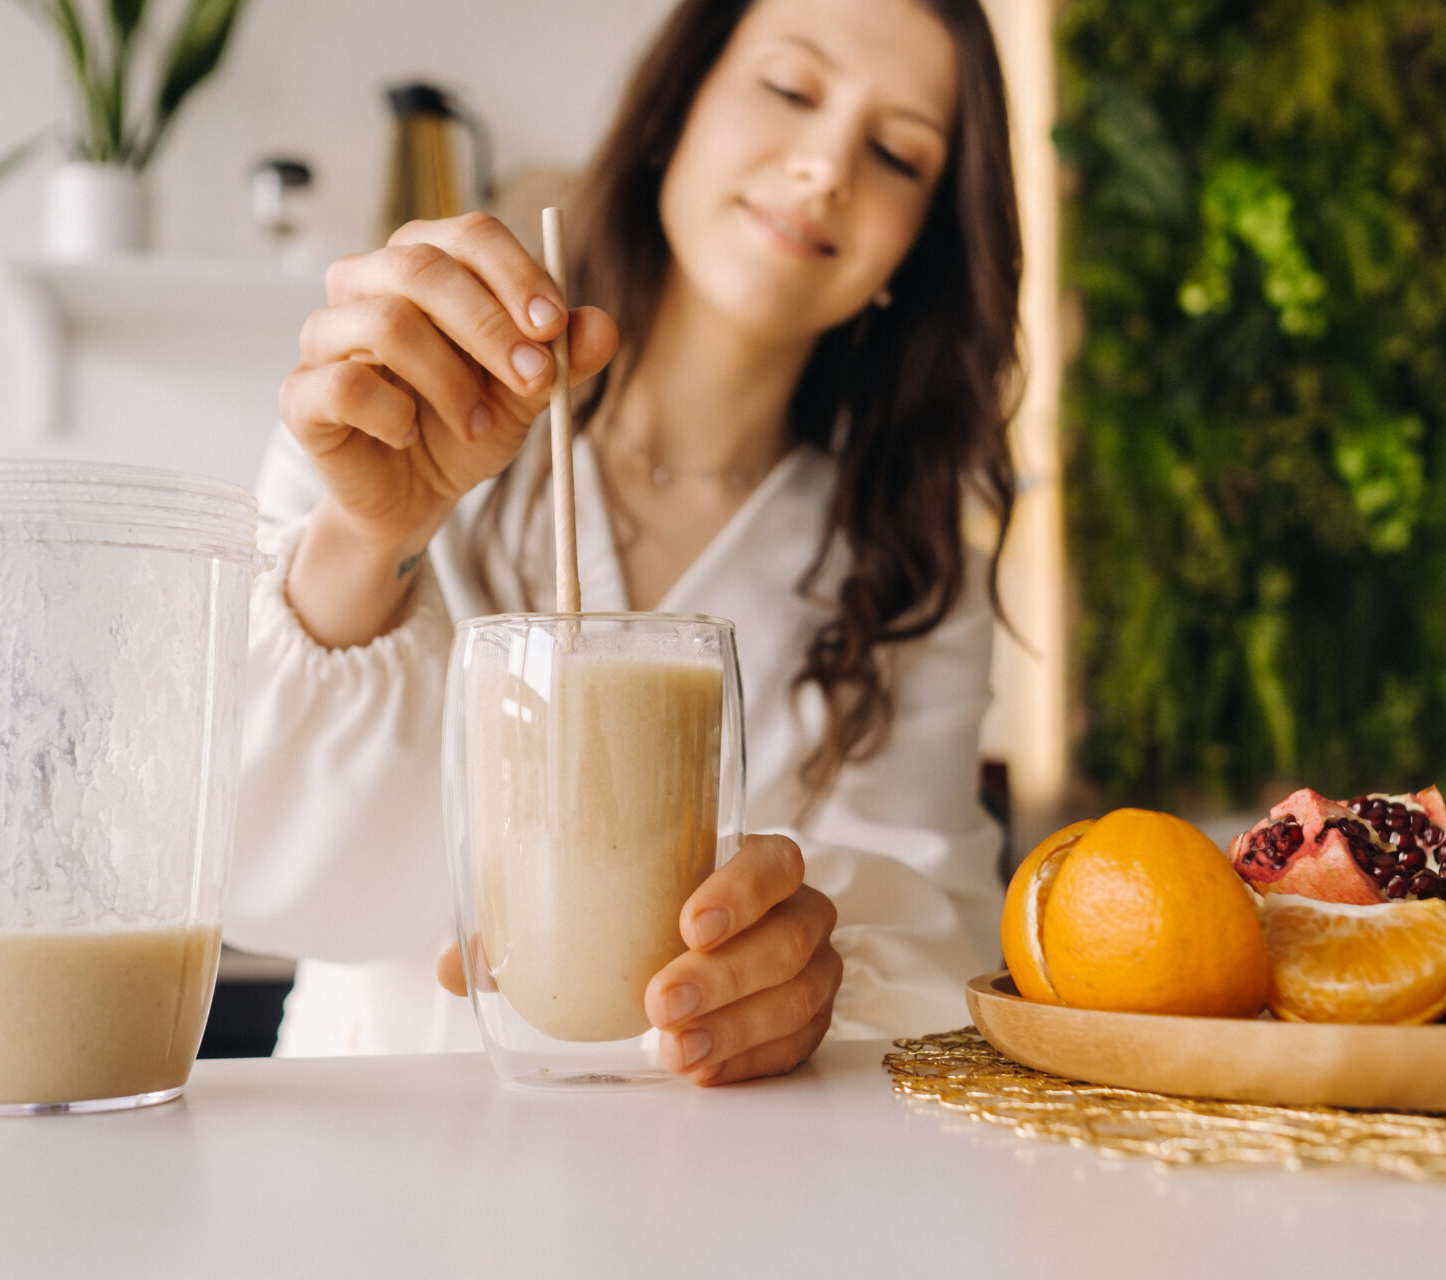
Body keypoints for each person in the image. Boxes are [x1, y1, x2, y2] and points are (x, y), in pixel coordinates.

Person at [226, 0, 1023, 1086]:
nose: (829, 165)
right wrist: (374, 533)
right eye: (791, 89)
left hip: (699, 1198)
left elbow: (934, 935)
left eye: (896, 153)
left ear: (915, 246)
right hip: (363, 1158)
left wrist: (802, 974)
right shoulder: (402, 408)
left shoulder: (914, 568)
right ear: (674, 110)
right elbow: (259, 861)